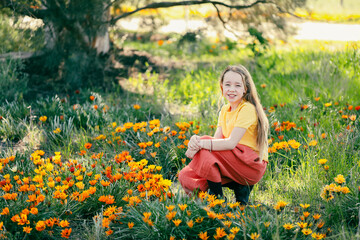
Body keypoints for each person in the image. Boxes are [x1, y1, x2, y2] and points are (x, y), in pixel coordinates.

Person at [178, 65, 269, 204]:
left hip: (251, 163)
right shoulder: (225, 110)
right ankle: (234, 188)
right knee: (185, 175)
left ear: (245, 89)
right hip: (233, 160)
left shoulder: (247, 109)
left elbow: (230, 142)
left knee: (205, 145)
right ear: (222, 87)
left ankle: (217, 198)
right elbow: (216, 141)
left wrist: (200, 143)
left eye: (237, 85)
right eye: (227, 84)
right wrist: (195, 141)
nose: (232, 89)